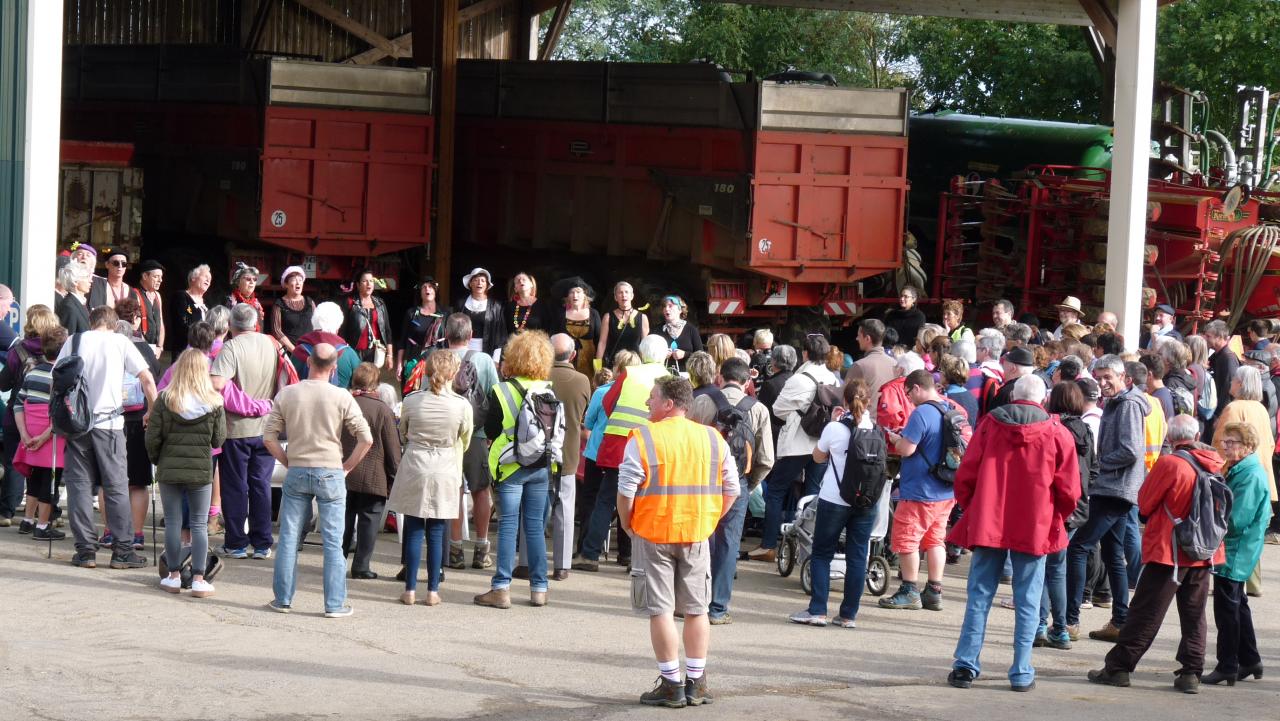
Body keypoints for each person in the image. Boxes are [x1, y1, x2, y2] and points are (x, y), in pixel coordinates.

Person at [945, 376, 1081, 692]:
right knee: (1028, 599)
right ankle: (1021, 670)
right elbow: (1070, 489)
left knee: (979, 595)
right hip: (1034, 523)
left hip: (990, 519)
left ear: (1013, 396)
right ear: (1043, 399)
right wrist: (1054, 514)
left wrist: (975, 506)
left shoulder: (990, 425)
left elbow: (966, 473)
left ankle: (966, 665)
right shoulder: (1057, 432)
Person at [618, 376, 738, 708]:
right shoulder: (712, 438)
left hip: (653, 532)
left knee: (661, 610)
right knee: (697, 609)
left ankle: (671, 684)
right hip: (696, 532)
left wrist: (629, 526)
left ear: (669, 403)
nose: (648, 404)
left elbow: (626, 490)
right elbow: (733, 488)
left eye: (652, 398)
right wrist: (710, 520)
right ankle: (696, 683)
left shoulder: (642, 438)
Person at [1087, 416, 1224, 694]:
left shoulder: (1171, 463)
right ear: (1196, 433)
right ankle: (1191, 672)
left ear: (1170, 438)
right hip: (1204, 550)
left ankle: (1119, 667)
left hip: (1169, 551)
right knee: (1194, 615)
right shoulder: (1215, 461)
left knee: (1145, 613)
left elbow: (1145, 503)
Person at [264, 343, 371, 617]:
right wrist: (347, 466)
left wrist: (288, 461)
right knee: (333, 542)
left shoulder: (287, 394)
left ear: (309, 362)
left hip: (298, 469)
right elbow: (365, 439)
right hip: (331, 471)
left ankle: (283, 600)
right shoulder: (342, 396)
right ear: (334, 367)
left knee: (288, 538)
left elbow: (269, 437)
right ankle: (334, 604)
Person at [59, 306, 157, 569]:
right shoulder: (120, 341)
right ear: (114, 324)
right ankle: (123, 551)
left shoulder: (74, 340)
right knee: (115, 487)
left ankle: (85, 551)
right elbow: (146, 379)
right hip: (110, 424)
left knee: (79, 486)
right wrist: (153, 410)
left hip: (77, 423)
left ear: (92, 322)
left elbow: (55, 381)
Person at [1065, 355, 1149, 642]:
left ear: (1123, 376)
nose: (1102, 384)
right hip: (1116, 488)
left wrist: (1098, 465)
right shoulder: (1120, 403)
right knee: (1113, 554)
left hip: (1116, 489)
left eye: (1107, 378)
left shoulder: (1127, 405)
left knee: (1078, 547)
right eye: (1098, 378)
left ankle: (1069, 621)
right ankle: (1120, 621)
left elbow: (1130, 451)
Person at [788, 379, 881, 628]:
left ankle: (818, 610)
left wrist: (834, 425)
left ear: (845, 402)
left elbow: (817, 457)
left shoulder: (835, 429)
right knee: (857, 556)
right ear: (868, 401)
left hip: (834, 498)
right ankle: (848, 615)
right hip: (866, 500)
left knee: (822, 553)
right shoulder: (876, 429)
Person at [475, 331, 557, 609]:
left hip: (509, 467)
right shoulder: (548, 391)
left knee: (508, 525)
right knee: (534, 526)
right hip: (540, 465)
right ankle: (539, 589)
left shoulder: (501, 390)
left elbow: (490, 429)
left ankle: (501, 588)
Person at [574, 335, 671, 572]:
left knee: (606, 500)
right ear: (666, 354)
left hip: (620, 443)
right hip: (655, 445)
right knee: (647, 502)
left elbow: (608, 403)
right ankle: (636, 559)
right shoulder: (671, 380)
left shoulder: (631, 373)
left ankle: (589, 555)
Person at [689, 356, 774, 624]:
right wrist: (750, 483)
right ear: (748, 381)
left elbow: (688, 443)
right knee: (728, 544)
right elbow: (766, 459)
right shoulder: (758, 409)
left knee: (701, 541)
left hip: (703, 482)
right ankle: (718, 609)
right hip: (736, 484)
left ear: (719, 377)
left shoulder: (702, 402)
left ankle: (695, 602)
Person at [386, 349, 473, 607]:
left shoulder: (411, 400)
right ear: (454, 373)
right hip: (445, 465)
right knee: (437, 530)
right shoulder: (462, 405)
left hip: (416, 462)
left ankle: (410, 589)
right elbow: (464, 440)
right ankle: (433, 590)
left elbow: (402, 433)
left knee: (413, 528)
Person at [747, 333, 837, 562]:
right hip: (822, 444)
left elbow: (777, 410)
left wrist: (796, 413)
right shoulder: (833, 378)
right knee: (813, 494)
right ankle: (806, 548)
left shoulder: (799, 378)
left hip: (798, 442)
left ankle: (768, 546)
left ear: (805, 353)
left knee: (776, 491)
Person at [145, 349, 227, 598]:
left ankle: (173, 576)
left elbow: (152, 438)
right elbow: (218, 438)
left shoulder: (165, 399)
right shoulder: (214, 403)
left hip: (169, 467)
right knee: (199, 524)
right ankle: (199, 579)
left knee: (172, 521)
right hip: (200, 469)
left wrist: (157, 459)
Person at [880, 370, 960, 611]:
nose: (908, 399)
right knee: (936, 540)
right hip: (945, 489)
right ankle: (934, 591)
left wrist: (895, 439)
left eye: (908, 393)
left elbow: (907, 449)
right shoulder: (949, 409)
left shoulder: (922, 413)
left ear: (916, 388)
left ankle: (909, 590)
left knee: (907, 540)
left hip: (920, 490)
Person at [211, 303, 283, 560]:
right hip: (267, 426)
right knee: (261, 485)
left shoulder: (231, 348)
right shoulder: (271, 344)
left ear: (231, 325)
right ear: (256, 324)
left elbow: (217, 383)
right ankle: (263, 543)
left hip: (236, 429)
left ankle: (236, 543)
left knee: (235, 487)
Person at [1202, 422, 1271, 685]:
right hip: (1236, 547)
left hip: (1237, 549)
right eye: (1225, 441)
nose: (1225, 446)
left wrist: (1211, 521)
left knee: (1227, 609)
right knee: (1237, 605)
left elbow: (1236, 520)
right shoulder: (1242, 468)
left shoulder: (1250, 474)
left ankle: (1228, 664)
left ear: (1248, 446)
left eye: (1232, 442)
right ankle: (1250, 660)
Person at [438, 314, 500, 570]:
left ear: (446, 333)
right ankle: (481, 548)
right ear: (471, 332)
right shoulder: (483, 360)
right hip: (476, 434)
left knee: (454, 490)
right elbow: (494, 395)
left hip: (448, 435)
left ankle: (454, 549)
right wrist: (490, 432)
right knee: (480, 490)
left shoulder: (437, 358)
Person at [1037, 381, 1096, 649]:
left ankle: (1041, 625)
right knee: (1057, 568)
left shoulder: (1052, 429)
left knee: (1043, 568)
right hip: (1077, 506)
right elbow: (1093, 469)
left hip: (1054, 505)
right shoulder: (1085, 430)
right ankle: (1060, 628)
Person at [0, 305, 60, 527]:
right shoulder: (59, 350)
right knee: (48, 467)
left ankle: (7, 512)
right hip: (48, 418)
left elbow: (4, 383)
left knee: (15, 461)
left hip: (19, 414)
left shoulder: (18, 351)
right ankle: (46, 515)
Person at [342, 363, 401, 580]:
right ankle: (361, 565)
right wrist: (395, 477)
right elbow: (393, 449)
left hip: (343, 471)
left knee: (343, 518)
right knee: (369, 520)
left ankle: (337, 560)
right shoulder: (383, 410)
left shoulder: (344, 403)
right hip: (373, 476)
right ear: (375, 383)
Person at [11, 327, 70, 539]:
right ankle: (43, 525)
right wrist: (46, 435)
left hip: (30, 433)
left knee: (35, 478)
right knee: (51, 481)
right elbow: (62, 411)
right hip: (50, 437)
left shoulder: (33, 372)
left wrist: (25, 435)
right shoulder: (63, 377)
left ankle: (27, 520)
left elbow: (19, 404)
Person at [540, 334, 591, 579]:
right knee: (565, 510)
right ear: (572, 355)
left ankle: (529, 562)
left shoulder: (539, 378)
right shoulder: (582, 381)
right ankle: (561, 566)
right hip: (568, 453)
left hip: (538, 452)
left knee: (535, 508)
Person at [114, 297, 161, 551]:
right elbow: (154, 378)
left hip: (111, 419)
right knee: (139, 481)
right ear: (135, 320)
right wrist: (153, 412)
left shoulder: (109, 347)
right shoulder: (144, 349)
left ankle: (110, 532)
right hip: (139, 418)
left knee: (111, 480)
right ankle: (137, 533)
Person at [1214, 365, 1278, 504]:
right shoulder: (1261, 409)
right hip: (1261, 475)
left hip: (1238, 479)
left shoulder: (1234, 408)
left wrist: (1214, 472)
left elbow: (1221, 445)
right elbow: (1270, 443)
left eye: (1234, 379)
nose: (1231, 382)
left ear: (1240, 383)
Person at [291, 302, 360, 389]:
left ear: (314, 322)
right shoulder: (349, 354)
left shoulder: (299, 351)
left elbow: (289, 382)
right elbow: (361, 386)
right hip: (339, 401)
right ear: (338, 326)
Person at [341, 269, 394, 372]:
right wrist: (343, 353)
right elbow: (342, 331)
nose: (369, 284)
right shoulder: (350, 303)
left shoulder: (380, 303)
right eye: (365, 281)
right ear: (358, 285)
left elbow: (387, 330)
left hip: (374, 353)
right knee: (355, 383)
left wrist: (390, 355)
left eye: (371, 281)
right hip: (354, 353)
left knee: (372, 384)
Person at [550, 276, 600, 378]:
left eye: (578, 292)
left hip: (590, 361)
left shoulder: (594, 314)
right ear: (567, 296)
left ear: (584, 295)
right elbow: (553, 339)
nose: (575, 295)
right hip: (566, 362)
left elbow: (599, 341)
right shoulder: (560, 315)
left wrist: (599, 365)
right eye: (571, 292)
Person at [397, 276, 445, 380]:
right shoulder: (411, 313)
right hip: (414, 361)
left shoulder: (444, 314)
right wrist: (400, 364)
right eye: (424, 287)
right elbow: (403, 341)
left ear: (436, 291)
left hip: (437, 363)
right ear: (420, 292)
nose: (427, 289)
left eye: (430, 287)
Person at [845, 319, 896, 411]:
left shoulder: (859, 366)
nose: (856, 338)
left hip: (866, 421)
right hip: (887, 421)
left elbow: (845, 395)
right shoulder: (894, 363)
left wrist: (821, 389)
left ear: (867, 339)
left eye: (859, 335)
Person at [596, 281, 649, 369]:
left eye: (626, 292)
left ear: (632, 296)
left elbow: (645, 344)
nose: (623, 295)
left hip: (636, 365)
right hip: (615, 365)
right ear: (616, 297)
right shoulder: (608, 317)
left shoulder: (642, 317)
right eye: (620, 292)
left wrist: (646, 366)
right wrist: (597, 367)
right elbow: (602, 343)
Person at [456, 267, 506, 356]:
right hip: (462, 351)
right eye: (475, 280)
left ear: (487, 285)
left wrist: (496, 359)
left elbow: (500, 335)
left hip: (487, 352)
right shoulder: (461, 304)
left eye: (483, 280)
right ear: (470, 283)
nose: (479, 283)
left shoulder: (496, 306)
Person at [1203, 320, 1239, 442]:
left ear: (1219, 337)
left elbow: (1228, 390)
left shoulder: (1228, 359)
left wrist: (1220, 416)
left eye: (1208, 336)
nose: (1205, 338)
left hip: (1218, 413)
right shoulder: (1217, 356)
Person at [270, 265, 315, 355]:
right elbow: (276, 331)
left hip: (310, 351)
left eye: (300, 280)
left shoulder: (310, 302)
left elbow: (317, 325)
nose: (298, 283)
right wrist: (295, 350)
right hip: (291, 352)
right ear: (286, 284)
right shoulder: (279, 304)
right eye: (294, 280)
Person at [169, 264, 212, 357]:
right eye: (205, 277)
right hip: (184, 351)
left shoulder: (207, 304)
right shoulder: (181, 297)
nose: (208, 280)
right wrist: (201, 338)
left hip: (203, 352)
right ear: (193, 278)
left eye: (210, 279)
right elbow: (182, 324)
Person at [758, 344, 797, 442]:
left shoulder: (769, 384)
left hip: (774, 436)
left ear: (774, 361)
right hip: (796, 433)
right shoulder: (798, 380)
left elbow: (762, 414)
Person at [657, 295, 703, 371]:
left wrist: (685, 354)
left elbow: (701, 356)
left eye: (670, 306)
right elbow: (648, 354)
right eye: (664, 306)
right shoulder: (657, 330)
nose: (666, 309)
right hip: (663, 377)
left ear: (680, 310)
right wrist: (661, 354)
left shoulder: (691, 329)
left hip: (687, 376)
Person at [988, 346, 1036, 413]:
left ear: (1013, 368)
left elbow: (993, 420)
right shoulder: (1037, 389)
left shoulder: (1006, 392)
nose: (1002, 367)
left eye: (1004, 364)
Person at [131, 259, 165, 354]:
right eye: (156, 277)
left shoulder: (157, 296)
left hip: (156, 349)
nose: (160, 280)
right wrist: (147, 349)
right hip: (140, 349)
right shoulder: (134, 294)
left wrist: (160, 347)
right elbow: (134, 328)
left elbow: (161, 323)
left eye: (161, 277)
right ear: (145, 276)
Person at [505, 272, 552, 336]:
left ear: (531, 284)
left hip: (537, 343)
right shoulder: (509, 306)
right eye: (517, 281)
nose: (521, 281)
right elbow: (506, 329)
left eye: (524, 279)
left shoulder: (542, 305)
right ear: (515, 289)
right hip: (514, 344)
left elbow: (548, 329)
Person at [884, 286, 926, 353]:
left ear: (914, 299)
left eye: (906, 296)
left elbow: (919, 338)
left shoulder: (919, 317)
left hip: (911, 352)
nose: (902, 299)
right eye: (901, 296)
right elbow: (886, 334)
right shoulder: (891, 315)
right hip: (892, 351)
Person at [939, 354, 978, 426]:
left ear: (944, 374)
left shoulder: (945, 398)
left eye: (940, 370)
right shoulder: (971, 396)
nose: (939, 373)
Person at [56, 261, 92, 335]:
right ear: (75, 281)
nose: (90, 280)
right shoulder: (68, 306)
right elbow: (68, 339)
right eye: (86, 277)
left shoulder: (78, 303)